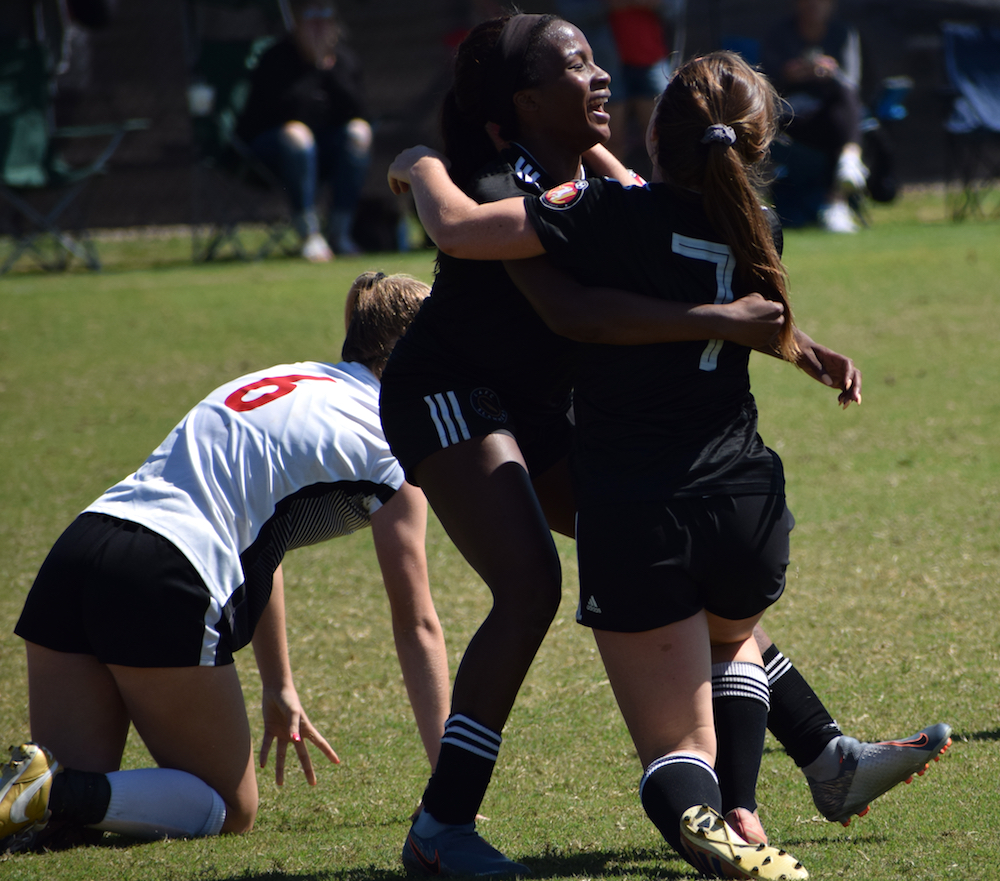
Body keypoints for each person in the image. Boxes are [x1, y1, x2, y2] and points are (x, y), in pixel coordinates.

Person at [387, 50, 949, 877]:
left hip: (542, 406)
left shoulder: (602, 188)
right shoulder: (506, 180)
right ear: (524, 105)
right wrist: (419, 162)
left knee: (684, 578)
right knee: (537, 585)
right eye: (574, 64)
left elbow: (644, 223)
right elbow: (566, 299)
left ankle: (826, 757)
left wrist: (788, 342)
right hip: (456, 392)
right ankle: (442, 823)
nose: (601, 74)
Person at [0, 271, 450, 854]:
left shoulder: (294, 378)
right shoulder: (392, 436)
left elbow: (263, 534)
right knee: (231, 808)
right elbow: (417, 624)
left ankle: (47, 795)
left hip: (77, 553)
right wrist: (451, 787)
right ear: (422, 351)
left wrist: (280, 684)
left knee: (64, 810)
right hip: (161, 573)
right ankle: (54, 795)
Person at [236, 0, 372, 260]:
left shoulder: (344, 61)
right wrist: (312, 66)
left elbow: (357, 110)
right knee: (296, 133)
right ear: (297, 26)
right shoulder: (275, 58)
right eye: (311, 20)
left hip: (325, 154)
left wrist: (326, 67)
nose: (318, 28)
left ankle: (340, 233)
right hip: (271, 152)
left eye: (325, 19)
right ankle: (309, 234)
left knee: (359, 132)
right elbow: (286, 109)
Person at [760, 0, 869, 233]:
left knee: (844, 101)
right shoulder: (779, 34)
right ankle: (839, 194)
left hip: (829, 118)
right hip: (789, 120)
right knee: (840, 128)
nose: (814, 5)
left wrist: (831, 73)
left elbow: (851, 83)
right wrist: (790, 75)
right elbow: (763, 86)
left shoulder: (843, 34)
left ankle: (846, 168)